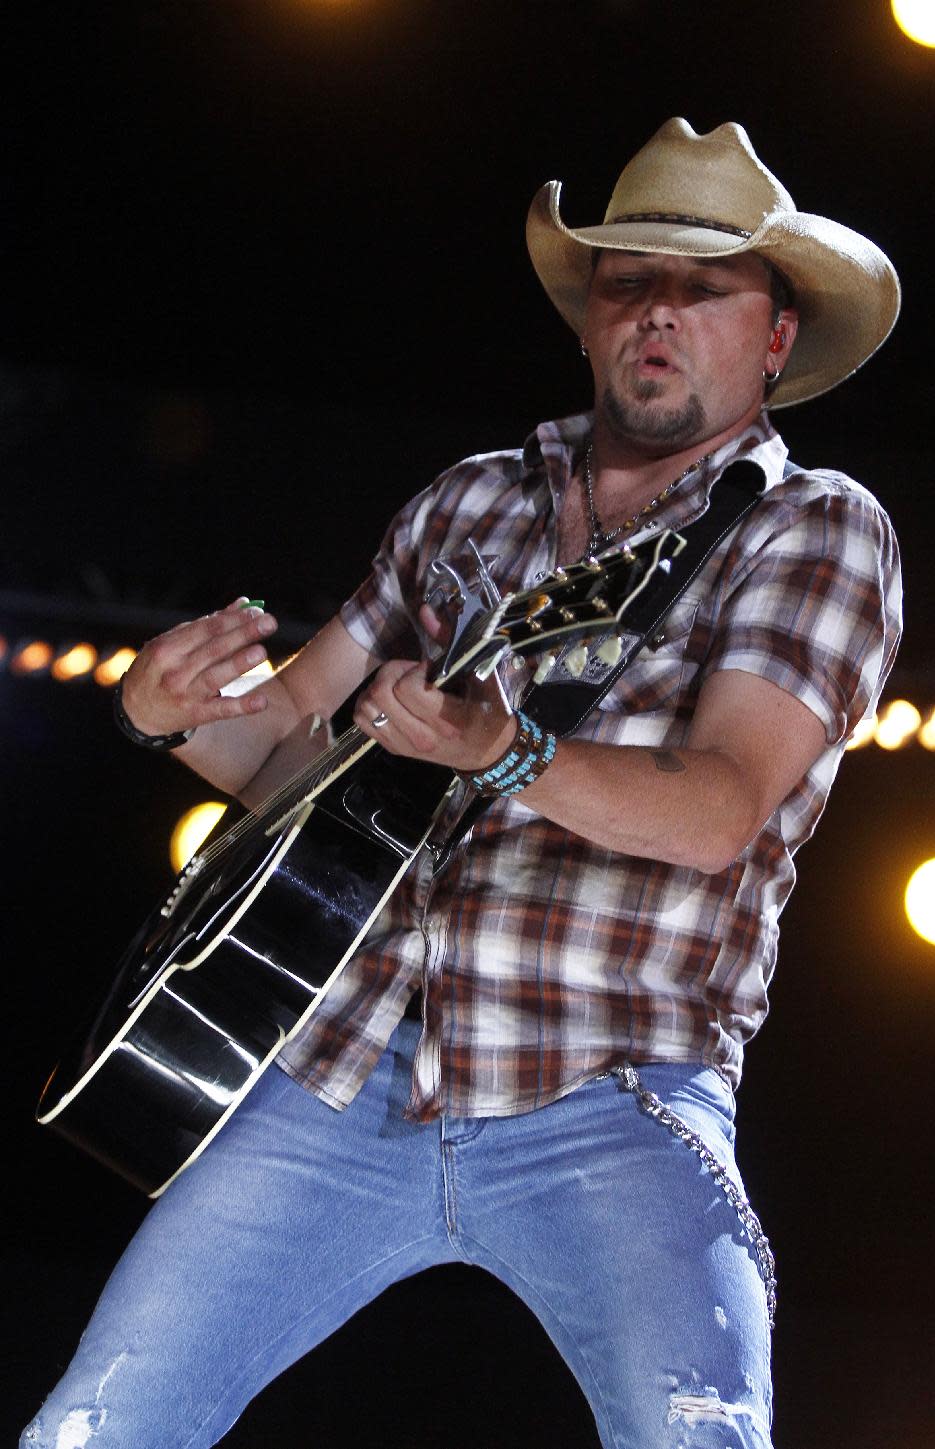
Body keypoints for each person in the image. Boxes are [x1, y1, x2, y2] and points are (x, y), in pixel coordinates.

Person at [23, 119, 901, 1449]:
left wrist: (506, 751)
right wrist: (166, 718)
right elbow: (290, 757)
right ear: (589, 313)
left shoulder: (814, 524)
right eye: (628, 280)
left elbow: (722, 804)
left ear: (776, 335)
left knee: (700, 1432)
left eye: (705, 285)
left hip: (617, 1087)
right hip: (341, 1063)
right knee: (94, 1427)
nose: (658, 313)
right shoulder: (468, 504)